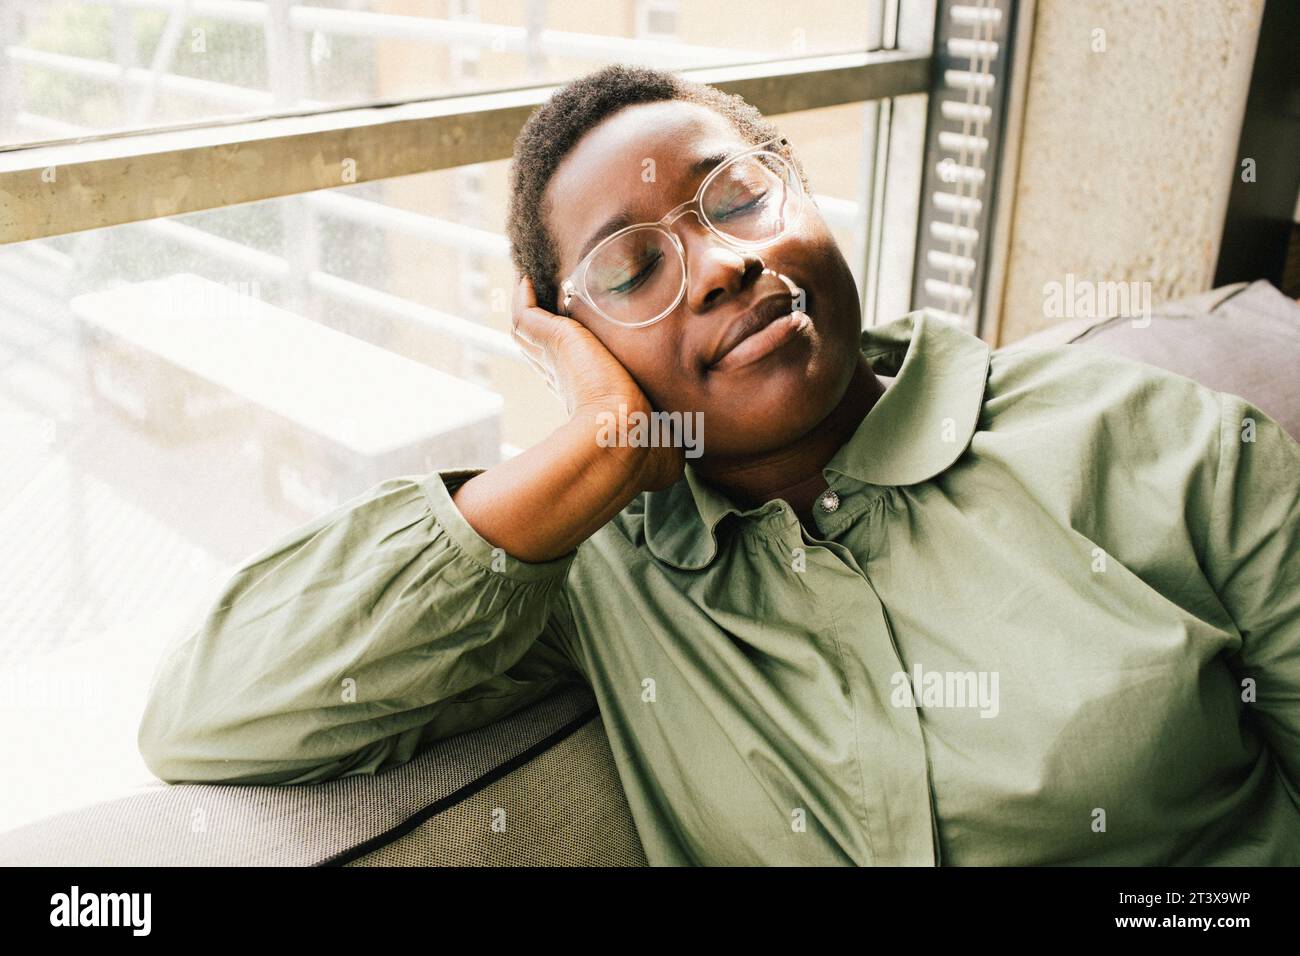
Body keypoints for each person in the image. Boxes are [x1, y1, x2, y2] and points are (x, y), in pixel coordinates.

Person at [137, 64, 1300, 866]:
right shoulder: (597, 581)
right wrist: (590, 452)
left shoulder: (1164, 443)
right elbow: (211, 716)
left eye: (738, 196)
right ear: (572, 340)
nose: (723, 265)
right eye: (634, 270)